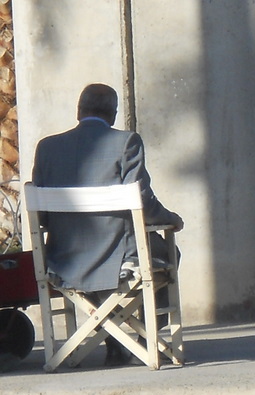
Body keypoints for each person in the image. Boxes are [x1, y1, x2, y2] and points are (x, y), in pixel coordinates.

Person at [32, 83, 183, 365]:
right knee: (169, 253)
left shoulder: (47, 147)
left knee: (100, 270)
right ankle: (145, 340)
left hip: (62, 262)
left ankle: (112, 339)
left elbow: (40, 217)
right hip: (120, 260)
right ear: (112, 115)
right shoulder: (126, 142)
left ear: (78, 111)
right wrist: (171, 220)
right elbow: (144, 203)